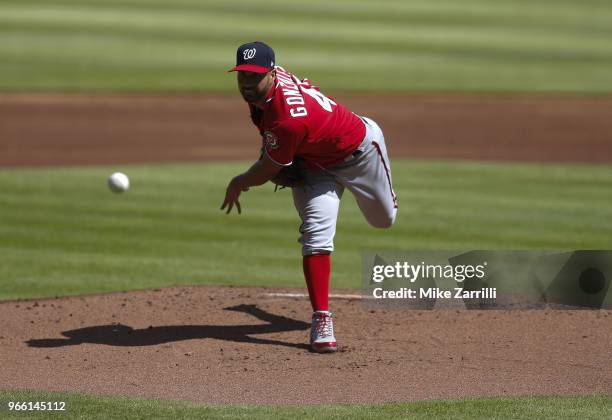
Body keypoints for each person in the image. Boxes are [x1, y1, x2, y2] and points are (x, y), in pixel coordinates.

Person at [221, 41, 398, 353]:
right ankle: (322, 319)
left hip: (359, 153)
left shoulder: (287, 118)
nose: (247, 82)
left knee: (384, 220)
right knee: (316, 235)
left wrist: (239, 181)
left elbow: (265, 171)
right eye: (242, 75)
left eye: (255, 76)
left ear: (273, 73)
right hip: (314, 167)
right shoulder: (265, 93)